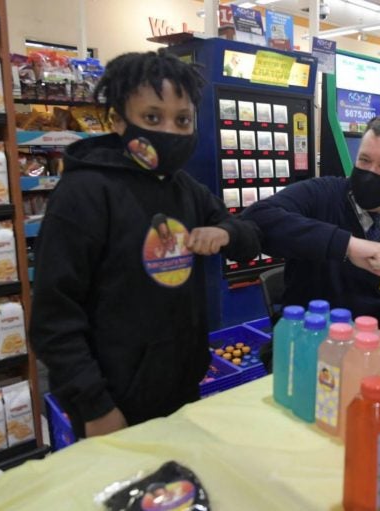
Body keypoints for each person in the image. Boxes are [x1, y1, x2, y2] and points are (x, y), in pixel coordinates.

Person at [30, 50, 261, 439]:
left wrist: (226, 233)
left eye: (182, 120)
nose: (169, 132)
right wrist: (94, 406)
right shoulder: (83, 194)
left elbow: (249, 239)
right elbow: (54, 319)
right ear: (118, 120)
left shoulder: (185, 189)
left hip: (181, 387)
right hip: (112, 401)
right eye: (152, 118)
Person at [241, 115, 380, 325]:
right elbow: (255, 219)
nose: (371, 173)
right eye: (364, 160)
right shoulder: (321, 195)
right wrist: (345, 245)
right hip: (314, 338)